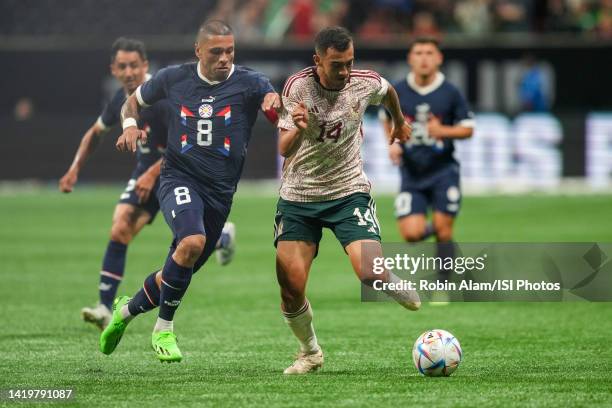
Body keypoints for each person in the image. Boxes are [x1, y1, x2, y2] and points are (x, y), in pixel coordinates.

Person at [99, 20, 280, 363]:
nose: (224, 58)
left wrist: (281, 107)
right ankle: (163, 329)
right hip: (178, 178)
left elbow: (275, 107)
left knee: (177, 269)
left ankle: (125, 311)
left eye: (230, 51)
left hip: (221, 194)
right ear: (198, 50)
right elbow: (130, 103)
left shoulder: (251, 83)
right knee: (192, 242)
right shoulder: (173, 78)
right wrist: (130, 125)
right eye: (216, 52)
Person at [59, 37, 236, 331]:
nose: (129, 73)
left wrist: (152, 174)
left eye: (134, 66)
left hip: (179, 173)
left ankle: (218, 234)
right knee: (120, 228)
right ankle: (105, 307)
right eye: (122, 67)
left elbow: (187, 145)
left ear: (145, 66)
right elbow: (96, 132)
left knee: (187, 238)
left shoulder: (165, 98)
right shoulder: (121, 99)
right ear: (113, 69)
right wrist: (74, 169)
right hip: (145, 176)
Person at [275, 26, 420, 375]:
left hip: (347, 191)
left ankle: (386, 277)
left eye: (349, 63)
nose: (344, 72)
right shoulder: (298, 87)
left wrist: (398, 122)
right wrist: (297, 127)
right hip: (299, 196)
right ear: (317, 61)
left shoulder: (364, 81)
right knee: (291, 288)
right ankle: (310, 352)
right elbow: (283, 149)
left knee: (369, 272)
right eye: (336, 65)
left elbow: (388, 92)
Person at [381, 37, 474, 303]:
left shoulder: (450, 92)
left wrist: (442, 130)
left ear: (438, 58)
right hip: (412, 173)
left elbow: (468, 128)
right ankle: (444, 231)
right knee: (410, 234)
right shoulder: (396, 91)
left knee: (444, 231)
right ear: (410, 58)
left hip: (444, 171)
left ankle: (443, 285)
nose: (423, 58)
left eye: (429, 53)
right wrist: (392, 144)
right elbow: (385, 118)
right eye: (418, 52)